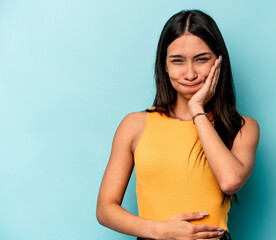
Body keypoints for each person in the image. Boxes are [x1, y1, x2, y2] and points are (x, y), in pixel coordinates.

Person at [96, 9, 260, 240]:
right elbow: (105, 209)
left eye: (201, 59)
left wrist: (197, 109)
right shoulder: (135, 125)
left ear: (219, 61)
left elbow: (230, 181)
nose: (190, 73)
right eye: (177, 61)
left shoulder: (243, 127)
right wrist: (161, 231)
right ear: (164, 65)